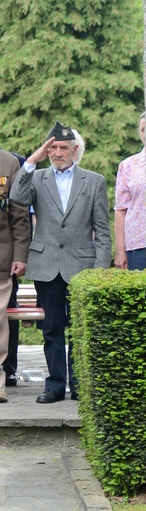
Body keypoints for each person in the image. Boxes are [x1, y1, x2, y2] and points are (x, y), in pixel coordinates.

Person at [10, 121, 111, 403]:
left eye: (63, 147)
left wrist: (100, 270)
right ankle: (54, 386)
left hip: (81, 266)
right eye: (52, 147)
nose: (57, 152)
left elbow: (102, 229)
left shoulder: (94, 181)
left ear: (75, 150)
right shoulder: (38, 177)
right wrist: (31, 160)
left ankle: (79, 385)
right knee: (52, 328)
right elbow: (17, 197)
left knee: (79, 328)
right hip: (47, 265)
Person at [0, 148, 29, 404]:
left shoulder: (10, 163)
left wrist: (20, 254)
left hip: (2, 257)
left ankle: (2, 377)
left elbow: (20, 216)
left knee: (2, 321)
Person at [114, 113, 146, 270]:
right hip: (138, 244)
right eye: (143, 129)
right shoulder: (128, 166)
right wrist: (120, 251)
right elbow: (121, 210)